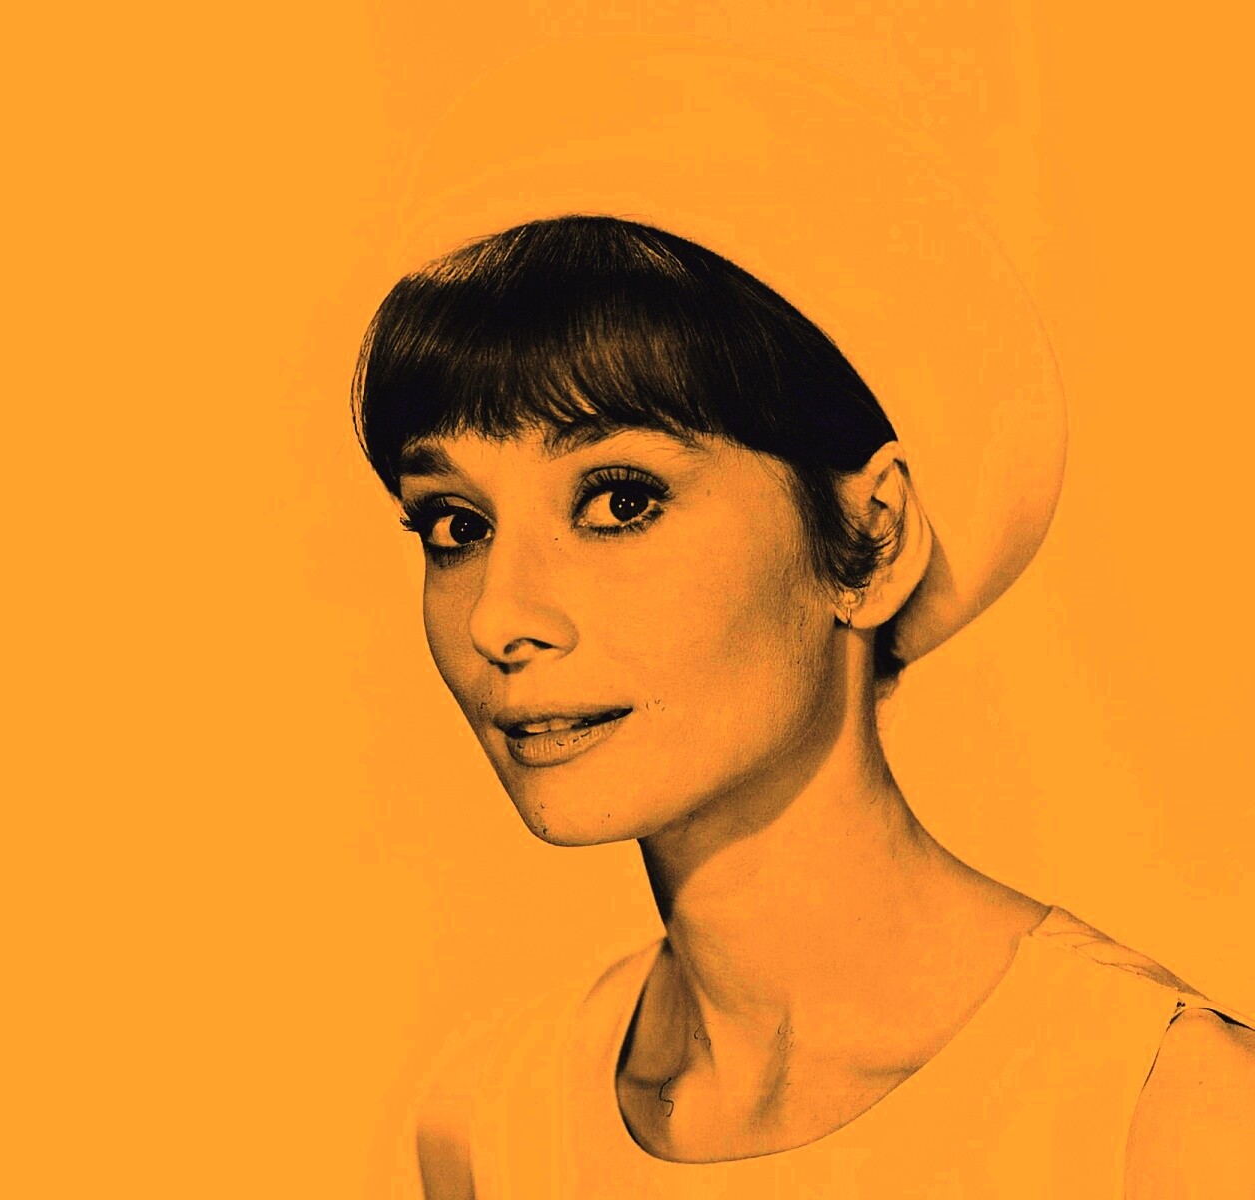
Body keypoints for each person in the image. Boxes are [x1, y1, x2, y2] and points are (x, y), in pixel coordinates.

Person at [355, 215, 1255, 1197]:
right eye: (457, 525)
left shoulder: (1165, 1116)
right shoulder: (491, 1124)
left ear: (873, 538)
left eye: (619, 501)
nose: (499, 617)